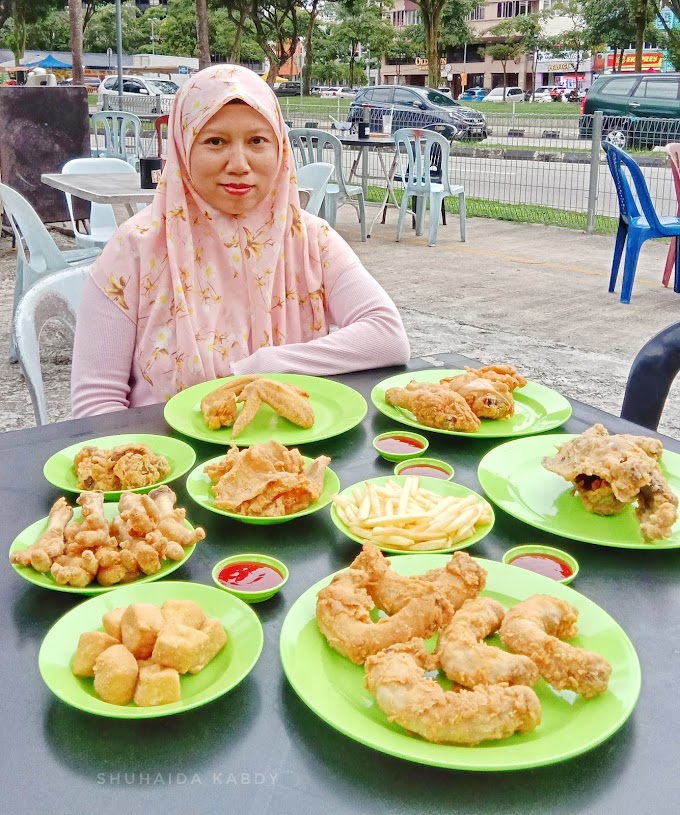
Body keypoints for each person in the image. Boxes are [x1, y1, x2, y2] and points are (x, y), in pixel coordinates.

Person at [71, 64, 410, 416]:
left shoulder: (310, 239)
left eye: (257, 141)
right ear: (183, 146)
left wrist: (265, 366)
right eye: (215, 141)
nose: (239, 164)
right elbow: (95, 404)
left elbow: (386, 335)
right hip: (172, 459)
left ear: (280, 148)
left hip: (289, 458)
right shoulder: (136, 250)